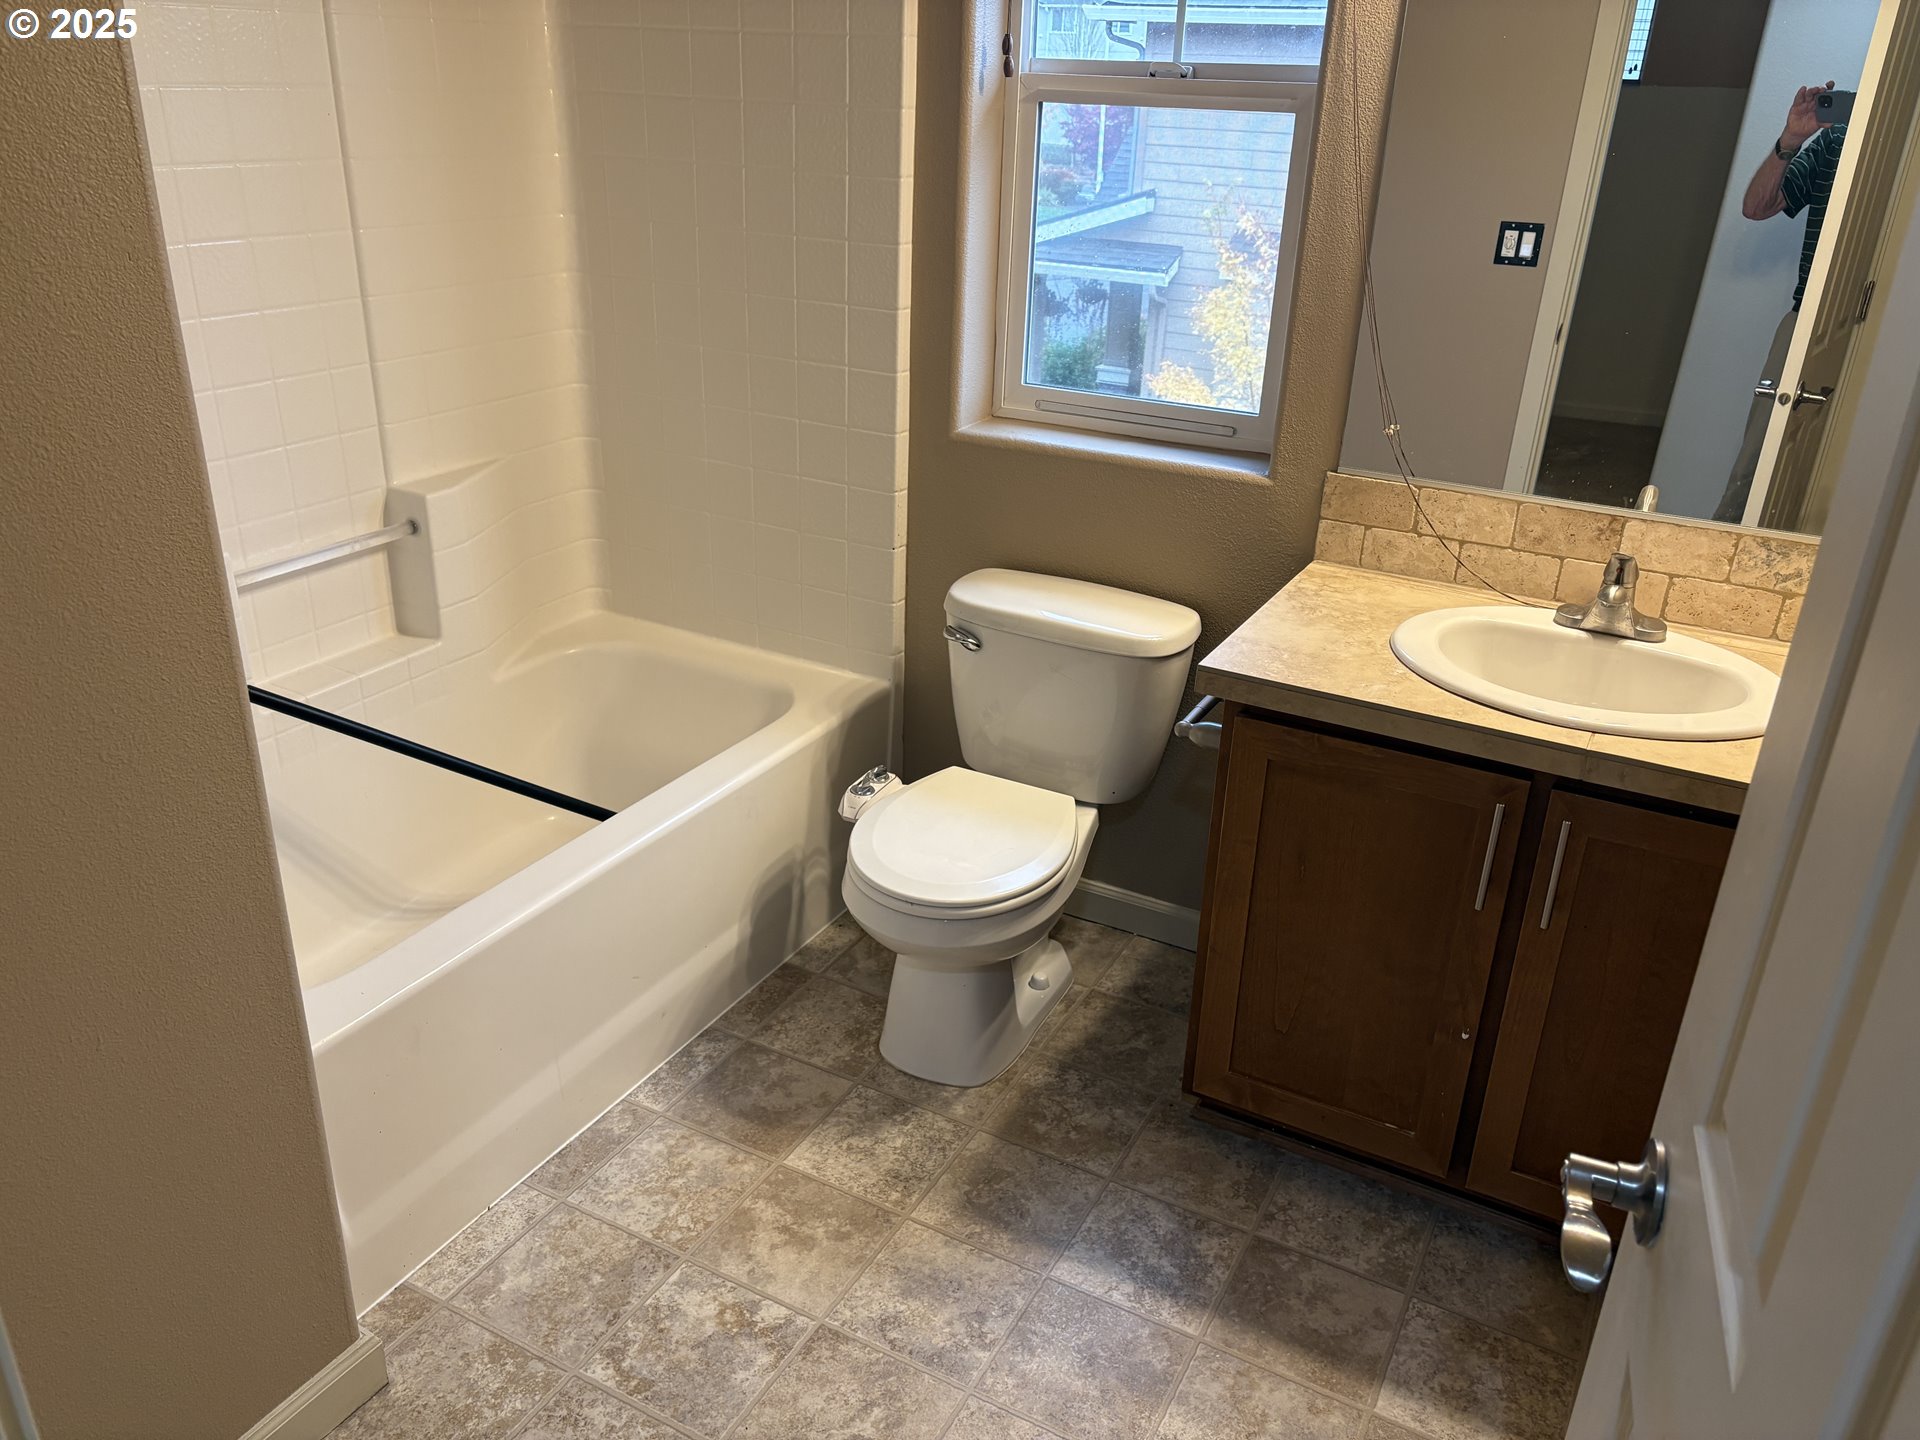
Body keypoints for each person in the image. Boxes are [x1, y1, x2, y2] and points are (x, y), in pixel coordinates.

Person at [1714, 81, 1850, 523]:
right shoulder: (1838, 138)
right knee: (1758, 461)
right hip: (1810, 322)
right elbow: (1757, 206)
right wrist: (1792, 138)